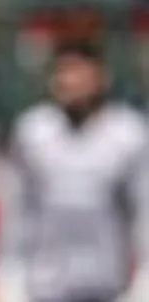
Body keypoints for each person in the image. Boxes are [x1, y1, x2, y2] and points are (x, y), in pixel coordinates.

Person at [9, 42, 149, 302]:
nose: (69, 82)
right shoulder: (34, 132)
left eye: (77, 72)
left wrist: (144, 280)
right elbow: (20, 211)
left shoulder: (128, 134)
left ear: (100, 78)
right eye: (62, 72)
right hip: (47, 283)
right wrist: (10, 277)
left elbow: (143, 212)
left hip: (107, 283)